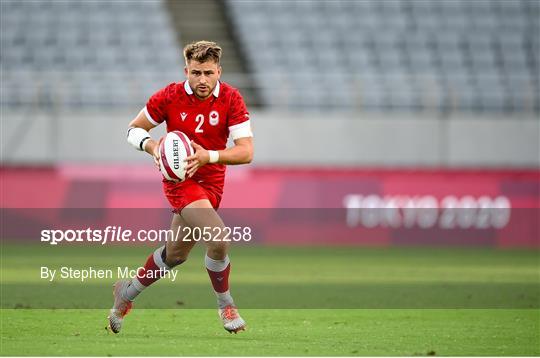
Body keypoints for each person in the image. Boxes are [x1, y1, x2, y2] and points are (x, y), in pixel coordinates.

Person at [108, 41, 253, 334]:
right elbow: (133, 129)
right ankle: (226, 305)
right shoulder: (170, 96)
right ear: (186, 70)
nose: (202, 80)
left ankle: (126, 293)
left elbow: (246, 151)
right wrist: (153, 146)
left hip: (212, 182)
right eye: (196, 72)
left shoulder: (231, 98)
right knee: (219, 239)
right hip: (180, 182)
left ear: (218, 71)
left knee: (175, 254)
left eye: (208, 73)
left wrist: (208, 156)